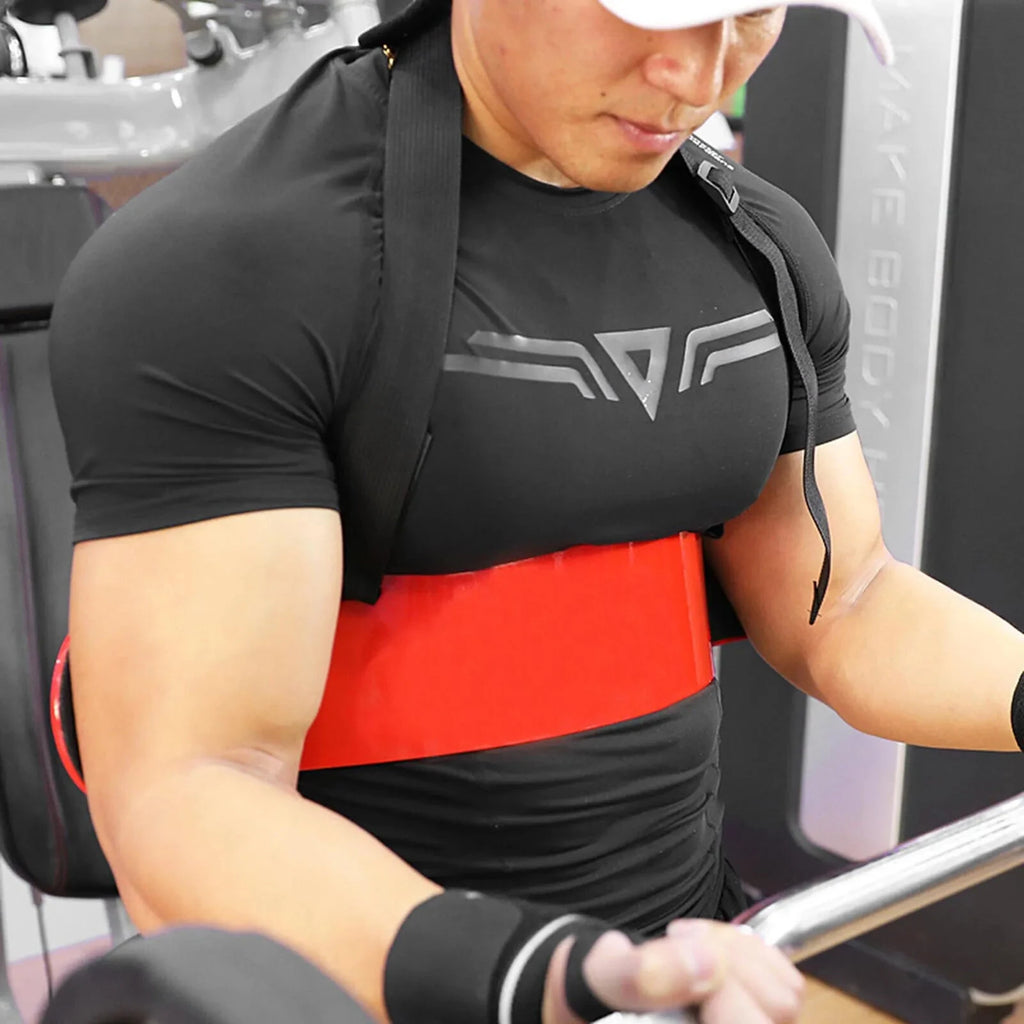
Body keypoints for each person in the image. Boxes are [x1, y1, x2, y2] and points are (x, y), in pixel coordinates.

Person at [47, 1, 1023, 1023]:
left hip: (688, 965)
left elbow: (845, 604)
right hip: (383, 991)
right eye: (646, 10)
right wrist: (544, 974)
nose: (699, 79)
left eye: (749, 15)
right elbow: (193, 787)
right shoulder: (233, 264)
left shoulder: (757, 245)